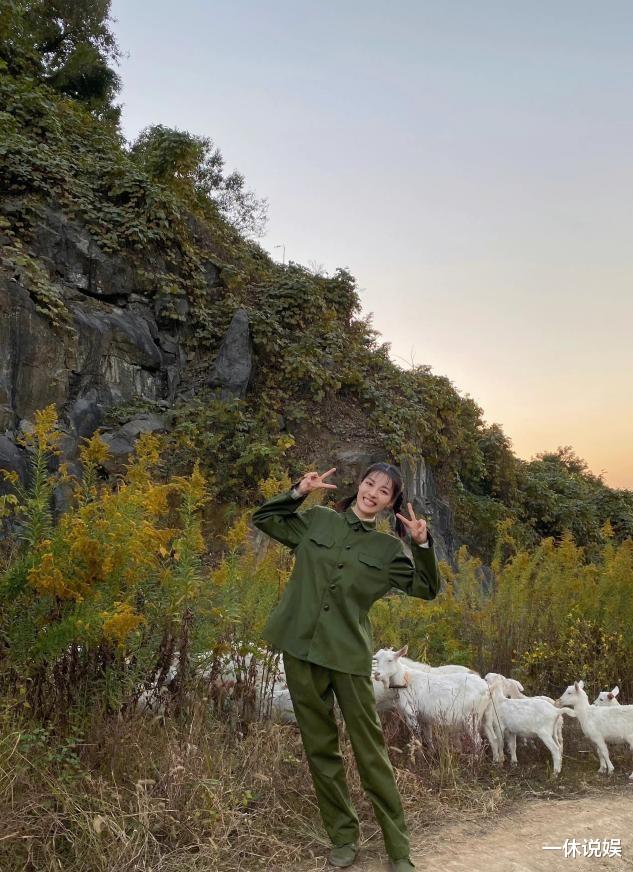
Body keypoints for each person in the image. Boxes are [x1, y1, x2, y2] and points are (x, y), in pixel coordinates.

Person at [252, 462, 441, 871]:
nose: (372, 492)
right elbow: (264, 518)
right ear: (359, 485)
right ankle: (343, 837)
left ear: (392, 504)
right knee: (320, 749)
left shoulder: (388, 550)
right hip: (300, 650)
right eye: (369, 483)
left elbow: (426, 589)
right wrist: (298, 491)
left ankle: (398, 850)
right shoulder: (317, 520)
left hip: (349, 657)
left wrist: (423, 545)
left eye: (384, 491)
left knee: (370, 753)